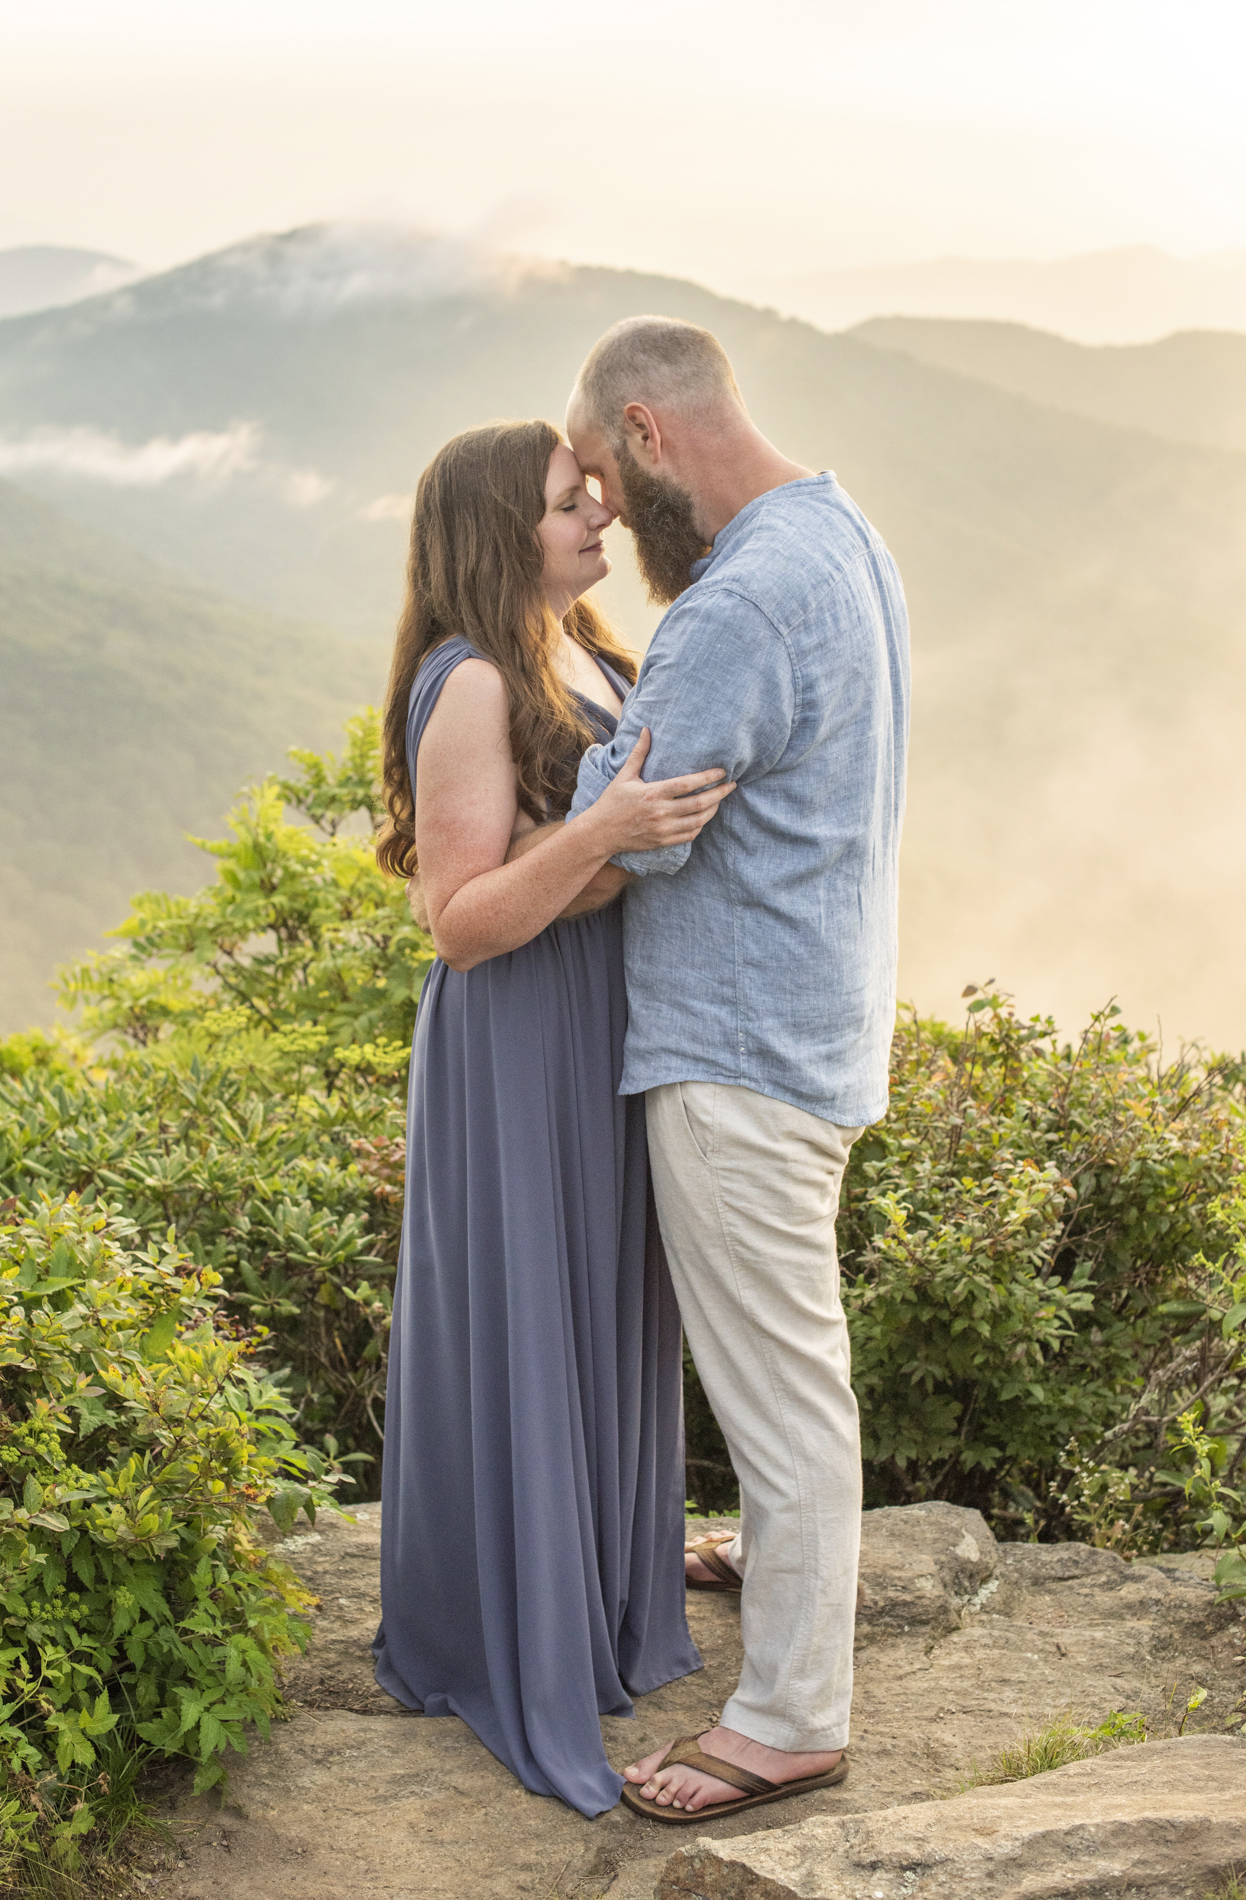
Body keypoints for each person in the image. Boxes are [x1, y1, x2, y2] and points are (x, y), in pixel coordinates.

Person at [562, 316, 911, 1822]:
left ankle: (787, 1718)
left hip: (736, 1044)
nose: (603, 514)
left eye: (599, 475)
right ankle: (775, 1556)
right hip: (816, 1016)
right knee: (789, 1358)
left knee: (782, 1387)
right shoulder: (837, 537)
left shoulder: (731, 609)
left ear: (648, 435)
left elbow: (628, 824)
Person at [370, 418, 735, 1818]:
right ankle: (509, 1634)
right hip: (521, 1034)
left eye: (591, 493)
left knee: (600, 1306)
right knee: (535, 1311)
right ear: (491, 530)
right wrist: (600, 840)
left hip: (597, 1016)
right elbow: (460, 922)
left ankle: (595, 1599)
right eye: (565, 502)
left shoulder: (572, 643)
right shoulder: (468, 681)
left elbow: (589, 855)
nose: (598, 516)